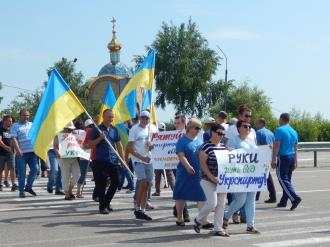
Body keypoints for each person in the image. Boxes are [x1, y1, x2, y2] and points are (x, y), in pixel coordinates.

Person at [223, 120, 260, 234]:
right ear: (239, 128)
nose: (248, 128)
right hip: (239, 175)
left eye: (250, 126)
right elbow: (227, 156)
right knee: (240, 200)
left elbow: (258, 155)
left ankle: (250, 225)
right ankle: (226, 216)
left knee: (251, 201)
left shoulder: (251, 141)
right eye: (245, 126)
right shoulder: (233, 140)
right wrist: (229, 151)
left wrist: (266, 150)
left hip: (252, 175)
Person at [194, 123, 229, 236]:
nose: (221, 136)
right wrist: (212, 178)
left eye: (223, 134)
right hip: (207, 179)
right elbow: (203, 165)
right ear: (212, 132)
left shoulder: (223, 146)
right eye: (219, 133)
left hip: (221, 180)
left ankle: (218, 228)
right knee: (212, 203)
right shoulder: (205, 146)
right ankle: (199, 219)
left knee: (221, 204)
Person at [89, 109, 124, 214]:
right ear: (103, 117)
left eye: (112, 117)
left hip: (113, 160)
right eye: (109, 117)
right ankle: (102, 207)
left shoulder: (115, 130)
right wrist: (100, 138)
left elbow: (119, 145)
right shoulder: (97, 130)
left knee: (116, 182)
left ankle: (106, 202)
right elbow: (91, 144)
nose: (111, 119)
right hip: (100, 161)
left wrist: (122, 160)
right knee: (102, 184)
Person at [173, 117, 206, 226]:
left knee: (201, 194)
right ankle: (179, 217)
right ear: (190, 128)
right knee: (181, 194)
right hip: (184, 172)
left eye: (199, 128)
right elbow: (181, 155)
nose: (198, 130)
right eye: (197, 128)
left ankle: (202, 219)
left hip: (198, 172)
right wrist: (187, 166)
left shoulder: (200, 142)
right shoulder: (182, 141)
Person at [127, 110, 158, 220]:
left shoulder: (152, 129)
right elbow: (130, 148)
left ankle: (142, 210)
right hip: (138, 160)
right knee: (143, 182)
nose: (145, 120)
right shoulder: (134, 129)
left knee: (147, 185)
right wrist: (141, 157)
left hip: (149, 161)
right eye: (143, 117)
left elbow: (157, 144)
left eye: (147, 118)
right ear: (140, 118)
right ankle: (137, 208)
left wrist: (152, 146)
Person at [272, 113, 302, 210]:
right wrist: (296, 161)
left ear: (281, 119)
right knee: (287, 180)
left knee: (282, 178)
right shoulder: (294, 131)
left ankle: (294, 198)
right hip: (292, 156)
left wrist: (273, 159)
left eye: (279, 119)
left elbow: (277, 145)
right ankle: (283, 201)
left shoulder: (279, 130)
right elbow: (296, 147)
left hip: (283, 157)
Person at [11, 109, 38, 198]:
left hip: (32, 152)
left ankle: (28, 187)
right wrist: (18, 150)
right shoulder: (15, 126)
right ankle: (21, 191)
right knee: (22, 173)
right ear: (20, 116)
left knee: (35, 170)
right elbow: (14, 139)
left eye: (27, 115)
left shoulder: (32, 125)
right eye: (24, 115)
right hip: (21, 153)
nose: (26, 117)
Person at [54, 122, 81, 200]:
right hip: (63, 158)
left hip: (74, 157)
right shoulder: (58, 135)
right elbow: (55, 146)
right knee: (66, 176)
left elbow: (80, 143)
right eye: (69, 129)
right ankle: (67, 194)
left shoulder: (74, 135)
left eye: (72, 129)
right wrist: (58, 153)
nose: (71, 130)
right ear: (65, 128)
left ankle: (70, 189)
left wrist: (77, 136)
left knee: (77, 174)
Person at [172, 114, 190, 222]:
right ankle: (185, 212)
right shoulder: (172, 135)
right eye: (175, 123)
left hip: (188, 164)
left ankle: (177, 208)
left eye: (178, 123)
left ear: (184, 123)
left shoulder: (189, 134)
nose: (176, 125)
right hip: (175, 165)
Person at [255, 118, 276, 203]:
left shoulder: (259, 132)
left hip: (262, 156)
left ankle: (273, 196)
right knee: (262, 175)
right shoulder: (271, 133)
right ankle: (257, 195)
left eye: (257, 123)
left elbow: (257, 145)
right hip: (269, 156)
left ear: (261, 123)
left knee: (265, 177)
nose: (256, 125)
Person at [152, 122, 175, 196]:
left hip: (161, 159)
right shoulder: (166, 136)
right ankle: (159, 190)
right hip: (161, 158)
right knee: (167, 175)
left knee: (162, 175)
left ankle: (158, 191)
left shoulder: (157, 136)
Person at [0, 116, 18, 192]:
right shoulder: (0, 129)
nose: (10, 123)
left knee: (12, 168)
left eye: (11, 121)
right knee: (0, 169)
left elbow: (15, 140)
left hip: (11, 153)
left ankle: (14, 184)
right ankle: (0, 184)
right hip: (1, 153)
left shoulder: (12, 130)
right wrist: (5, 146)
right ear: (4, 121)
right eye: (9, 121)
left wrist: (17, 149)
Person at [74, 119, 89, 198]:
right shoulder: (85, 133)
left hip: (74, 155)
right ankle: (78, 191)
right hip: (84, 155)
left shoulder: (72, 133)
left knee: (77, 173)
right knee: (82, 173)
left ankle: (75, 190)